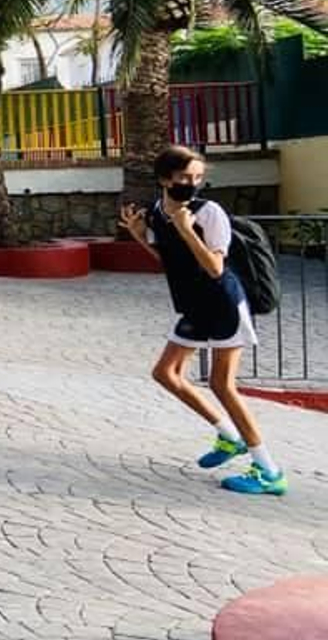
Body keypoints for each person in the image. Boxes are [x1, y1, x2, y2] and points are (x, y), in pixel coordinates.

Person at [120, 145, 285, 496]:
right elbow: (170, 259)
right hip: (192, 305)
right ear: (165, 179)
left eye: (197, 177)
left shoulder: (209, 213)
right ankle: (229, 436)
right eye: (184, 178)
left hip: (223, 303)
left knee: (222, 385)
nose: (191, 184)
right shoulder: (155, 212)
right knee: (165, 373)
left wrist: (187, 230)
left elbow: (214, 267)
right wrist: (139, 237)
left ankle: (269, 470)